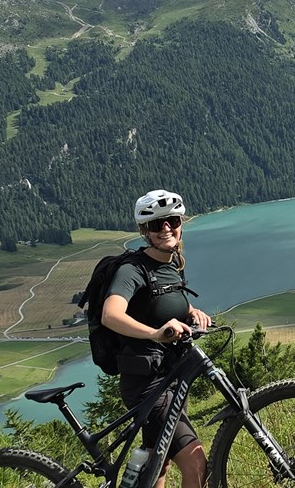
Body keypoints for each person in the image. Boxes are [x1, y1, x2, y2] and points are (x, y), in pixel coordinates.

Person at [101, 189, 213, 488]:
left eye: (172, 221)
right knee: (197, 463)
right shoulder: (132, 270)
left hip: (171, 376)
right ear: (145, 231)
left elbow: (163, 303)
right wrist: (155, 334)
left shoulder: (171, 264)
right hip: (147, 383)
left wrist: (192, 311)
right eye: (156, 224)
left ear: (180, 224)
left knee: (157, 462)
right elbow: (110, 315)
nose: (166, 228)